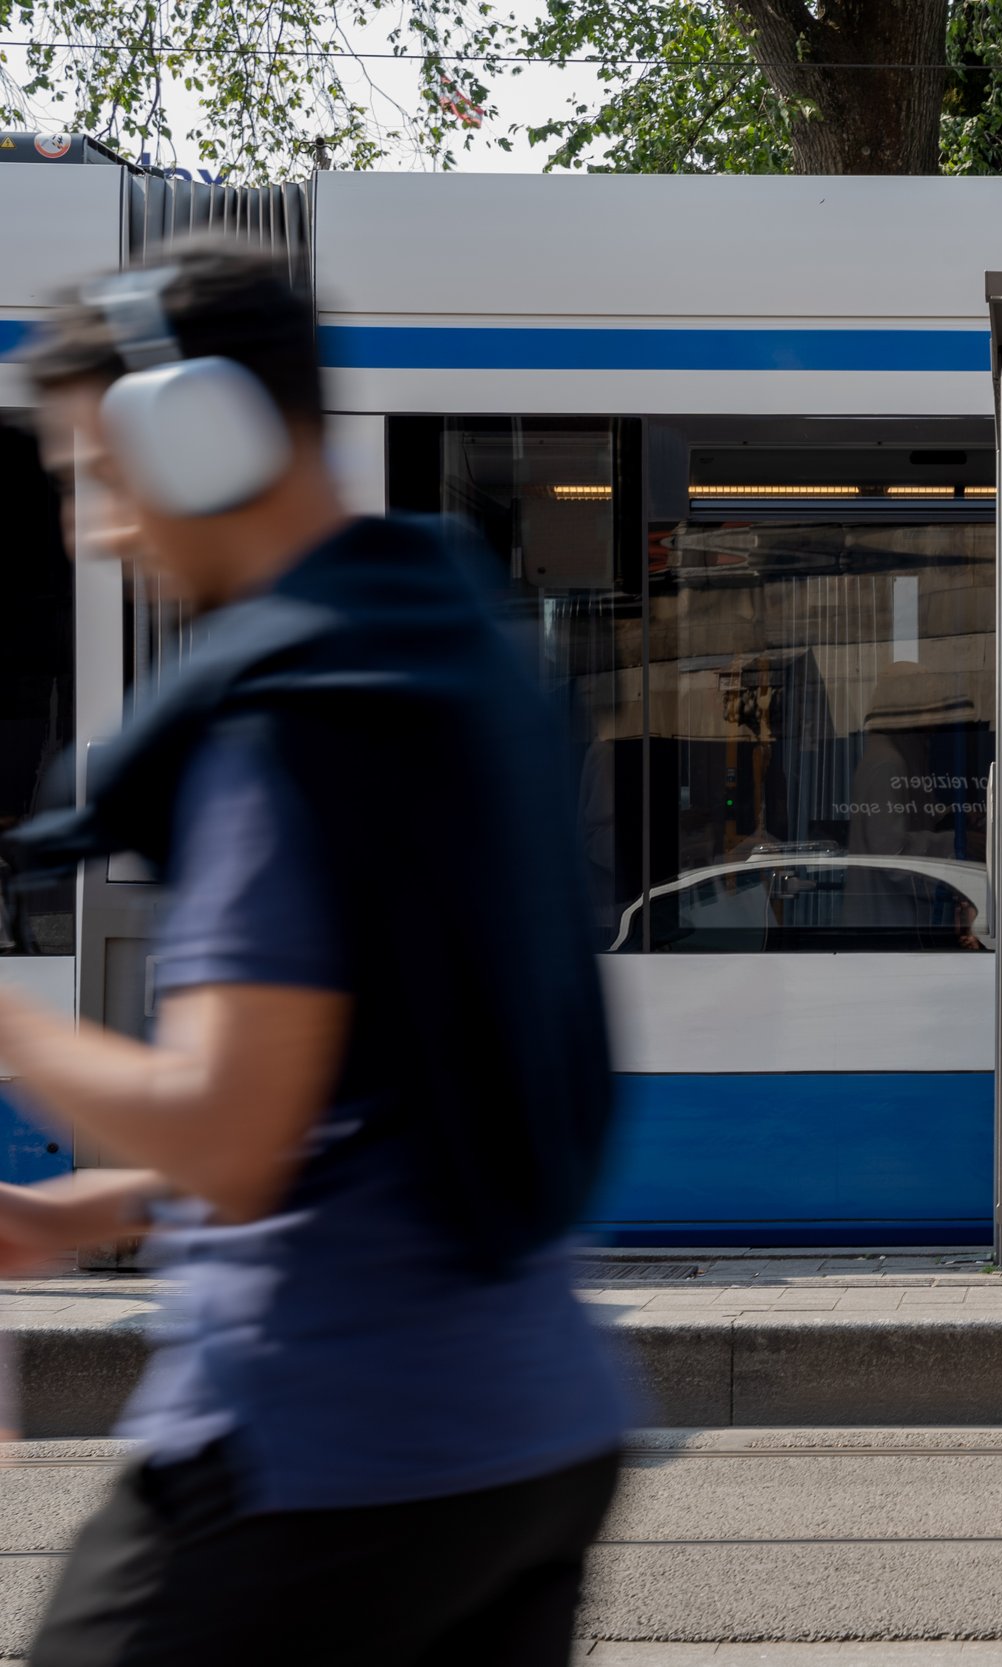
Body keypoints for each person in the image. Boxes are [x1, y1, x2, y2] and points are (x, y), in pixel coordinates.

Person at [0, 241, 634, 1666]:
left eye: (98, 475)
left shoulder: (293, 718)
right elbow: (377, 1094)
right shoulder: (452, 654)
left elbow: (235, 1131)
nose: (96, 530)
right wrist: (79, 1207)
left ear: (199, 429)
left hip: (327, 1454)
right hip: (534, 1435)